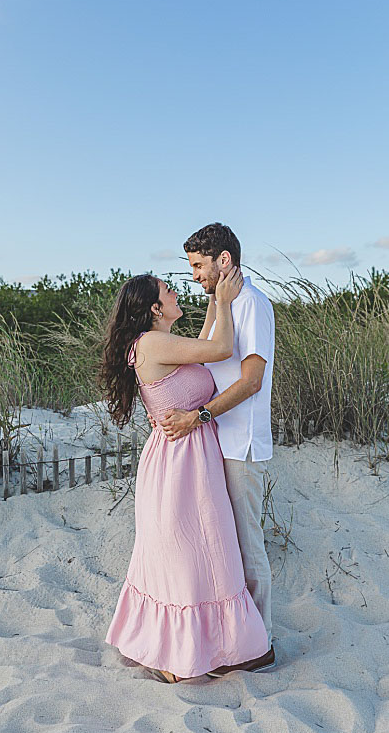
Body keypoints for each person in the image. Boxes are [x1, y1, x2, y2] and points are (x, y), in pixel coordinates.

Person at [100, 268, 269, 682]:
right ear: (155, 309)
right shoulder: (154, 343)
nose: (178, 291)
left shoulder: (159, 341)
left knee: (206, 552)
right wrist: (226, 302)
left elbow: (208, 338)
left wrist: (215, 297)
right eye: (168, 291)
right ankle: (181, 655)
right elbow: (221, 346)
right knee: (188, 557)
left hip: (191, 457)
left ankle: (212, 648)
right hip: (179, 465)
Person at [158, 223, 276, 675]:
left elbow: (251, 380)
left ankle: (261, 647)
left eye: (198, 265)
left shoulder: (254, 305)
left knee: (248, 546)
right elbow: (205, 353)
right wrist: (213, 302)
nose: (193, 275)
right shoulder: (222, 304)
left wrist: (197, 416)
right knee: (222, 547)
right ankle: (235, 641)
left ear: (223, 260)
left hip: (239, 442)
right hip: (213, 443)